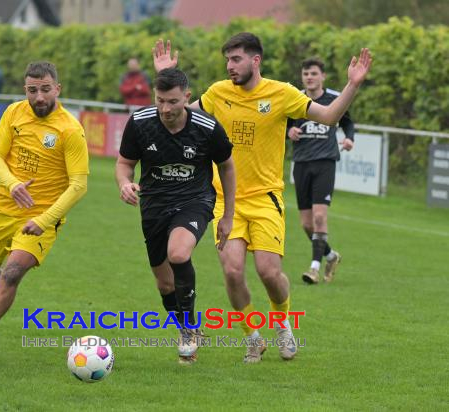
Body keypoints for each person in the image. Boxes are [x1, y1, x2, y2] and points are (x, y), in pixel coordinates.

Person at [153, 34, 371, 363]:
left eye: (236, 59)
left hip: (266, 199)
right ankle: (253, 337)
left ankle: (282, 324)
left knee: (269, 272)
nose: (229, 65)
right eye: (227, 59)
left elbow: (328, 117)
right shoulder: (217, 93)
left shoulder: (281, 94)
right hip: (225, 202)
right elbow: (175, 113)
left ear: (255, 61)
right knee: (232, 271)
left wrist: (353, 85)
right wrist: (167, 76)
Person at [0, 61, 89, 366]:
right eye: (32, 90)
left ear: (57, 88)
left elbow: (79, 185)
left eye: (45, 89)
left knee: (12, 273)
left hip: (41, 218)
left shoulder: (70, 129)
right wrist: (12, 183)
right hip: (1, 209)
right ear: (25, 89)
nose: (39, 97)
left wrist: (44, 220)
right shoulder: (14, 113)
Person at [115, 68, 236, 365]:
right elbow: (124, 163)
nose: (166, 109)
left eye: (172, 102)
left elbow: (228, 167)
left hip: (195, 200)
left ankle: (188, 335)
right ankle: (187, 326)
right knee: (165, 285)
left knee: (179, 254)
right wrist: (125, 183)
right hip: (154, 205)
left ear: (187, 97)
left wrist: (227, 215)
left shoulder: (208, 127)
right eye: (160, 101)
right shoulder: (141, 123)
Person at [287, 57, 355, 285]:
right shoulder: (294, 98)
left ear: (322, 76)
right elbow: (284, 123)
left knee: (318, 217)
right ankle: (331, 256)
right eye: (306, 74)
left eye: (314, 73)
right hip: (301, 162)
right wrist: (289, 132)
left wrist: (349, 139)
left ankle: (314, 268)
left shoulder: (334, 98)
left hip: (325, 162)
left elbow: (347, 122)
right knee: (306, 224)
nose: (309, 77)